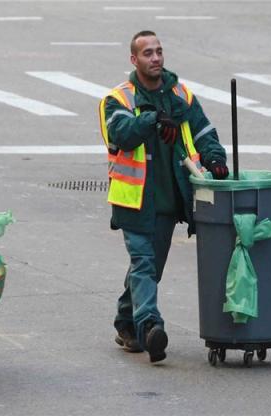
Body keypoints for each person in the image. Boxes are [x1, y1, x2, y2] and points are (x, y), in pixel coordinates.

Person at [98, 30, 228, 363]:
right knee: (144, 263)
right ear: (134, 60)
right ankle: (150, 328)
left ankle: (126, 322)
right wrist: (154, 119)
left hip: (170, 202)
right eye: (147, 53)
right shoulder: (118, 99)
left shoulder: (179, 94)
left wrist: (215, 159)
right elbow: (122, 133)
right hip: (135, 202)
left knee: (150, 268)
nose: (155, 58)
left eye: (158, 51)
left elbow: (203, 130)